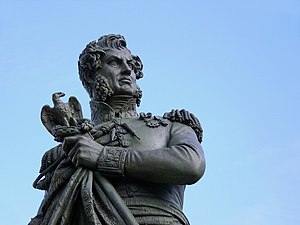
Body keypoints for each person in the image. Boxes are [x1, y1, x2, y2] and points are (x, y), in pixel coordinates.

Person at [29, 34, 205, 225]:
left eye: (130, 64)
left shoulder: (170, 125)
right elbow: (48, 216)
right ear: (91, 75)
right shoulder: (67, 150)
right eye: (114, 62)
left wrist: (103, 157)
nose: (127, 69)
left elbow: (192, 164)